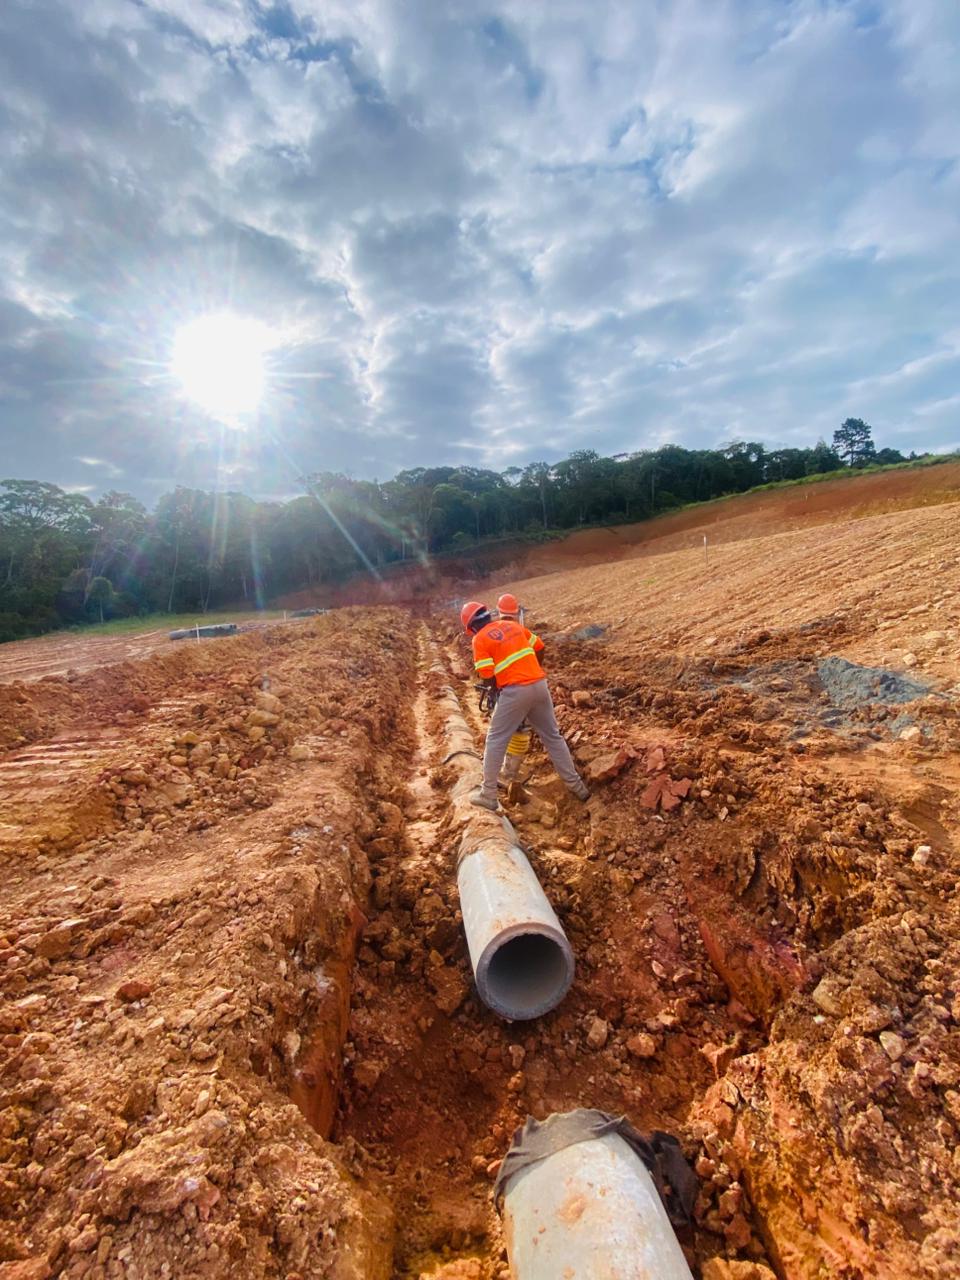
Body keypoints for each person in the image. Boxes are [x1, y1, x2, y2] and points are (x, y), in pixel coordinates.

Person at [459, 600, 589, 811]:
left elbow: (487, 675)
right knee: (553, 737)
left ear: (471, 627)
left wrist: (497, 691)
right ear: (488, 616)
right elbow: (539, 646)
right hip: (539, 685)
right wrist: (532, 669)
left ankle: (488, 794)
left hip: (515, 691)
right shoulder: (513, 626)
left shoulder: (479, 639)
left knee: (495, 739)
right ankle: (578, 787)